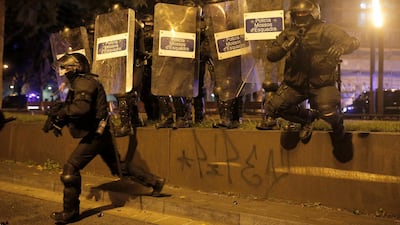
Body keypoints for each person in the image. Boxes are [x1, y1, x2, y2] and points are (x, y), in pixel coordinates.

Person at [48, 53, 165, 224]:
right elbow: (80, 109)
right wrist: (60, 120)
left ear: (76, 67)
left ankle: (70, 212)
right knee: (119, 167)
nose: (63, 72)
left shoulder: (84, 83)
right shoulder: (82, 82)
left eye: (66, 68)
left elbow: (81, 108)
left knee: (70, 170)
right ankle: (155, 182)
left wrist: (61, 113)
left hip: (95, 135)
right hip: (101, 133)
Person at [261, 0, 360, 163]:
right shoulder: (288, 33)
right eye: (298, 13)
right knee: (273, 106)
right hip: (295, 84)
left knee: (328, 110)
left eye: (304, 13)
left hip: (320, 83)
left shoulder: (324, 30)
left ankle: (338, 129)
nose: (300, 16)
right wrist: (286, 46)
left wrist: (342, 47)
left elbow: (353, 41)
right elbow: (271, 55)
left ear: (313, 14)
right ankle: (306, 119)